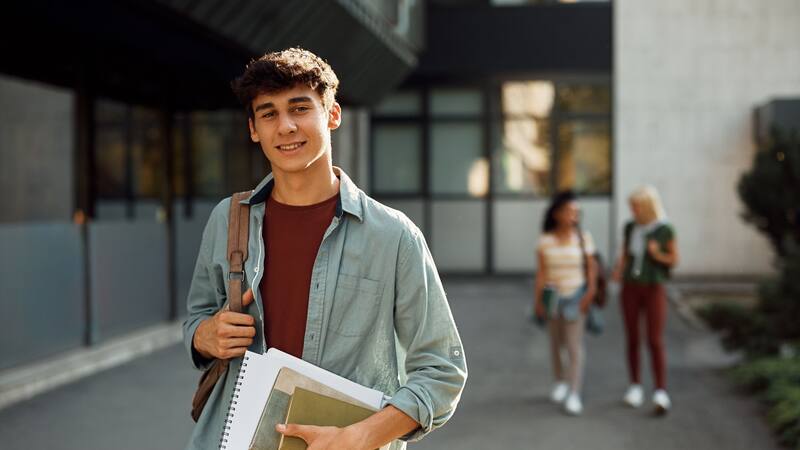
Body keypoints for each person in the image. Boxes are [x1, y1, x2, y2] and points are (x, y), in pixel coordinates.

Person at [182, 48, 467, 450]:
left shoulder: (394, 236)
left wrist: (361, 437)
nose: (286, 126)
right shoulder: (227, 220)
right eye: (268, 113)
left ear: (332, 115)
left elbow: (442, 370)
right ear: (253, 129)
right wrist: (205, 335)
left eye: (300, 108)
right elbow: (197, 320)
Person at [612, 186, 678, 415]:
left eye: (636, 206)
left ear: (648, 206)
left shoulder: (664, 229)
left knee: (654, 339)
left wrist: (656, 253)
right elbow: (625, 254)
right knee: (632, 337)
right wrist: (618, 270)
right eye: (632, 206)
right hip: (631, 286)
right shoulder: (631, 227)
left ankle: (660, 391)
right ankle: (635, 386)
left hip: (653, 287)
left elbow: (673, 259)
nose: (633, 210)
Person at [534, 191, 597, 416]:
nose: (574, 216)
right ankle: (560, 380)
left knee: (573, 346)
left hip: (575, 297)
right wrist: (538, 300)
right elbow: (541, 273)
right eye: (570, 211)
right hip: (552, 298)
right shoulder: (545, 240)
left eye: (577, 212)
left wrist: (589, 294)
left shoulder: (583, 238)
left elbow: (592, 269)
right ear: (557, 213)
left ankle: (574, 393)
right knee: (555, 343)